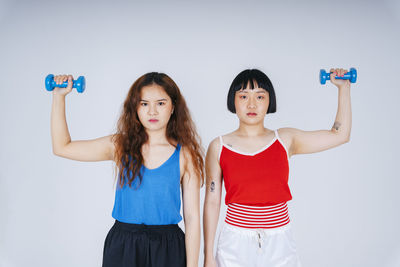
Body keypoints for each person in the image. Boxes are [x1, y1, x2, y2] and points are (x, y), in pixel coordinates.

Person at [50, 72, 203, 267]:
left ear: (173, 106)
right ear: (135, 108)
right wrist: (58, 97)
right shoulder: (119, 145)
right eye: (144, 103)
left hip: (168, 248)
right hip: (124, 245)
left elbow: (192, 218)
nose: (152, 111)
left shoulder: (185, 155)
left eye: (161, 103)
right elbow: (62, 147)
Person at [203, 68, 352, 267]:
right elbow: (212, 202)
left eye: (260, 96)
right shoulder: (219, 146)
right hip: (235, 242)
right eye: (244, 96)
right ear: (233, 101)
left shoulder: (285, 139)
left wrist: (344, 89)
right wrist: (208, 255)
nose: (252, 104)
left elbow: (339, 135)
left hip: (279, 240)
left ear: (269, 101)